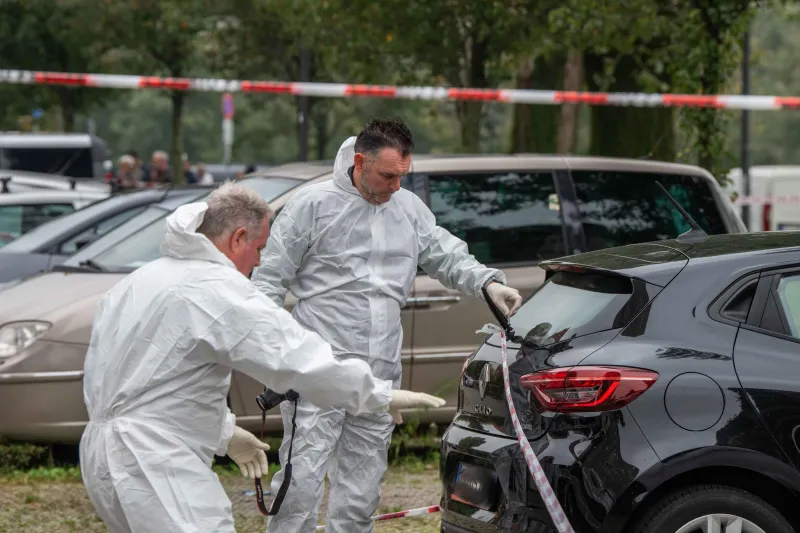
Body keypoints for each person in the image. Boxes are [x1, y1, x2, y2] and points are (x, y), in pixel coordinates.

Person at [79, 182, 446, 533]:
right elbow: (295, 357)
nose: (258, 262)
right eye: (259, 248)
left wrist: (223, 431)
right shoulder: (216, 288)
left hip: (101, 456)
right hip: (156, 461)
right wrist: (377, 395)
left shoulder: (139, 281)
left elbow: (152, 379)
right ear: (238, 237)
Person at [253, 117, 523, 533]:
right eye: (388, 175)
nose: (397, 185)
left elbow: (446, 255)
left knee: (361, 491)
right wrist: (272, 357)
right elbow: (268, 282)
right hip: (317, 370)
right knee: (301, 482)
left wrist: (488, 283)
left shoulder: (407, 209)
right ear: (360, 162)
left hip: (380, 376)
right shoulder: (311, 206)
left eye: (403, 176)